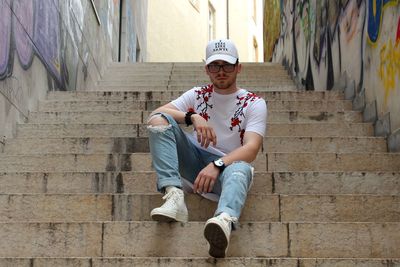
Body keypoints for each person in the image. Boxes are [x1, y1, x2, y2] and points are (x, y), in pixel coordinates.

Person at [147, 39, 267, 258]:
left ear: (238, 67)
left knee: (241, 168)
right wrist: (192, 117)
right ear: (207, 69)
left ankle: (223, 221)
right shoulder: (197, 95)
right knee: (158, 120)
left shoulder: (253, 103)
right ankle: (174, 196)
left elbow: (251, 148)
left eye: (227, 65)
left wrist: (217, 164)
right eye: (215, 65)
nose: (221, 71)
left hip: (228, 170)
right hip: (193, 162)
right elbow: (156, 113)